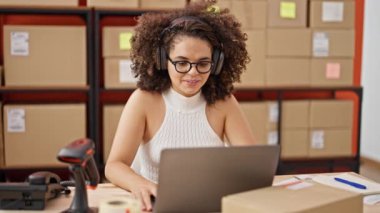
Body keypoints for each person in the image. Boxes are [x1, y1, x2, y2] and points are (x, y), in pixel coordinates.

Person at [105, 1, 256, 211]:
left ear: (216, 64)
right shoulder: (144, 100)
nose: (193, 73)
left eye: (203, 63)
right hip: (158, 206)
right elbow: (114, 166)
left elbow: (252, 165)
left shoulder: (224, 103)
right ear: (162, 61)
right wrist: (141, 184)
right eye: (182, 63)